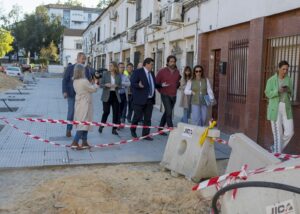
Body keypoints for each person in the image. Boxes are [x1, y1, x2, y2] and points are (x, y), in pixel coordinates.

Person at [265, 60, 294, 153]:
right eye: (283, 69)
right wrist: (277, 91)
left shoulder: (288, 79)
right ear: (278, 69)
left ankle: (275, 148)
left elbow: (291, 93)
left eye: (286, 69)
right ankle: (277, 156)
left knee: (290, 132)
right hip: (275, 108)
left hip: (286, 108)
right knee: (278, 134)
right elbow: (267, 93)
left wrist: (288, 90)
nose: (285, 71)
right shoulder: (271, 80)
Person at [130, 58, 162, 140]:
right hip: (139, 99)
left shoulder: (151, 73)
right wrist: (139, 85)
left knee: (148, 118)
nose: (152, 66)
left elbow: (153, 84)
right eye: (151, 64)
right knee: (137, 117)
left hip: (150, 100)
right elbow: (132, 83)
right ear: (146, 64)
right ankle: (133, 130)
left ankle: (146, 135)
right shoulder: (138, 72)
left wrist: (161, 85)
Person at [62, 52, 92, 137]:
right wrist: (64, 91)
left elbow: (89, 80)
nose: (84, 61)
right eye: (83, 59)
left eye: (85, 59)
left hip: (82, 96)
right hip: (71, 94)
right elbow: (64, 80)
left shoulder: (86, 69)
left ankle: (81, 132)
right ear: (78, 58)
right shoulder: (70, 68)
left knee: (82, 114)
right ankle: (68, 129)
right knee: (71, 112)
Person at [70, 64, 99, 149]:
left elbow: (87, 87)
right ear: (81, 71)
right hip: (85, 104)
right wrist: (96, 83)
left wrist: (91, 84)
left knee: (85, 123)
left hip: (79, 103)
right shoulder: (83, 80)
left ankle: (84, 142)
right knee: (83, 124)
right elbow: (93, 89)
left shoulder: (75, 80)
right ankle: (75, 142)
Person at [156, 55, 181, 134]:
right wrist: (161, 90)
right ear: (167, 62)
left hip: (174, 95)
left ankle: (160, 129)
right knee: (169, 113)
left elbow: (178, 82)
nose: (172, 63)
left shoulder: (177, 72)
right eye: (171, 61)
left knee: (167, 112)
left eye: (174, 61)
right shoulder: (162, 71)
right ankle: (172, 130)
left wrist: (176, 86)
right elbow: (156, 83)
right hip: (165, 94)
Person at [98, 61, 121, 135]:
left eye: (111, 66)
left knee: (115, 113)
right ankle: (102, 125)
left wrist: (116, 86)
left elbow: (120, 85)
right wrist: (106, 85)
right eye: (109, 65)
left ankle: (114, 129)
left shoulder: (118, 75)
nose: (110, 67)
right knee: (106, 112)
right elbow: (100, 84)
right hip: (107, 95)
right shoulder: (105, 74)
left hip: (115, 95)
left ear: (114, 67)